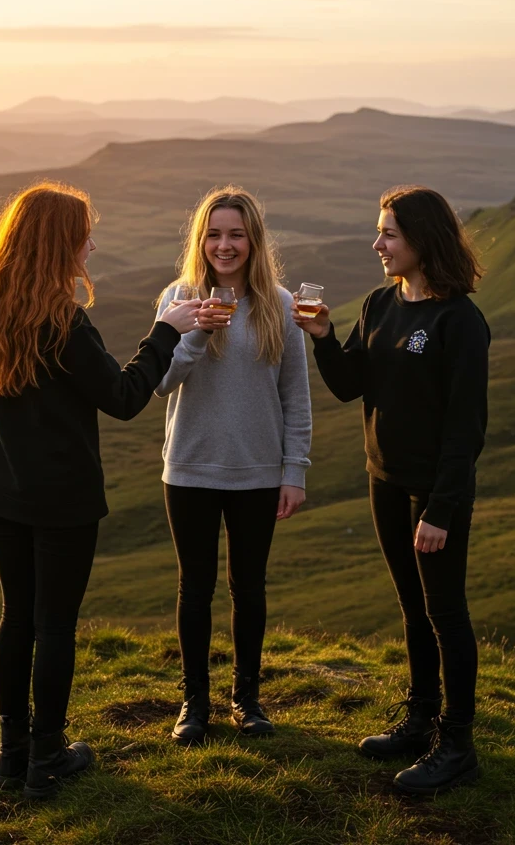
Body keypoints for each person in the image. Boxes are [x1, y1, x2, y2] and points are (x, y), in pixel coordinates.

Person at [0, 182, 199, 798]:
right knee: (55, 625)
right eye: (82, 236)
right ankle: (48, 756)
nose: (91, 246)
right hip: (64, 499)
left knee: (16, 618)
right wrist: (165, 330)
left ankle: (10, 755)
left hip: (5, 493)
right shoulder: (64, 323)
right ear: (56, 245)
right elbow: (124, 399)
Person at [293, 185, 489, 795]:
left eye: (388, 234)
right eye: (379, 232)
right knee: (412, 608)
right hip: (384, 480)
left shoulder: (459, 321)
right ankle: (420, 719)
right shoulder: (380, 304)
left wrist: (441, 508)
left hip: (433, 495)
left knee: (445, 613)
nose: (376, 244)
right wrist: (324, 337)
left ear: (422, 241)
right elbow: (351, 385)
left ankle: (457, 745)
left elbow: (466, 428)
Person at [153, 186, 312, 744]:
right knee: (194, 588)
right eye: (215, 234)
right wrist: (194, 331)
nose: (225, 245)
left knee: (249, 587)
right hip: (191, 468)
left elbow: (296, 395)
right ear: (201, 240)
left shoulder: (282, 304)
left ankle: (247, 700)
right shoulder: (178, 296)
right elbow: (161, 382)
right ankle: (194, 704)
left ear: (253, 240)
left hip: (259, 473)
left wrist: (294, 471)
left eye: (236, 234)